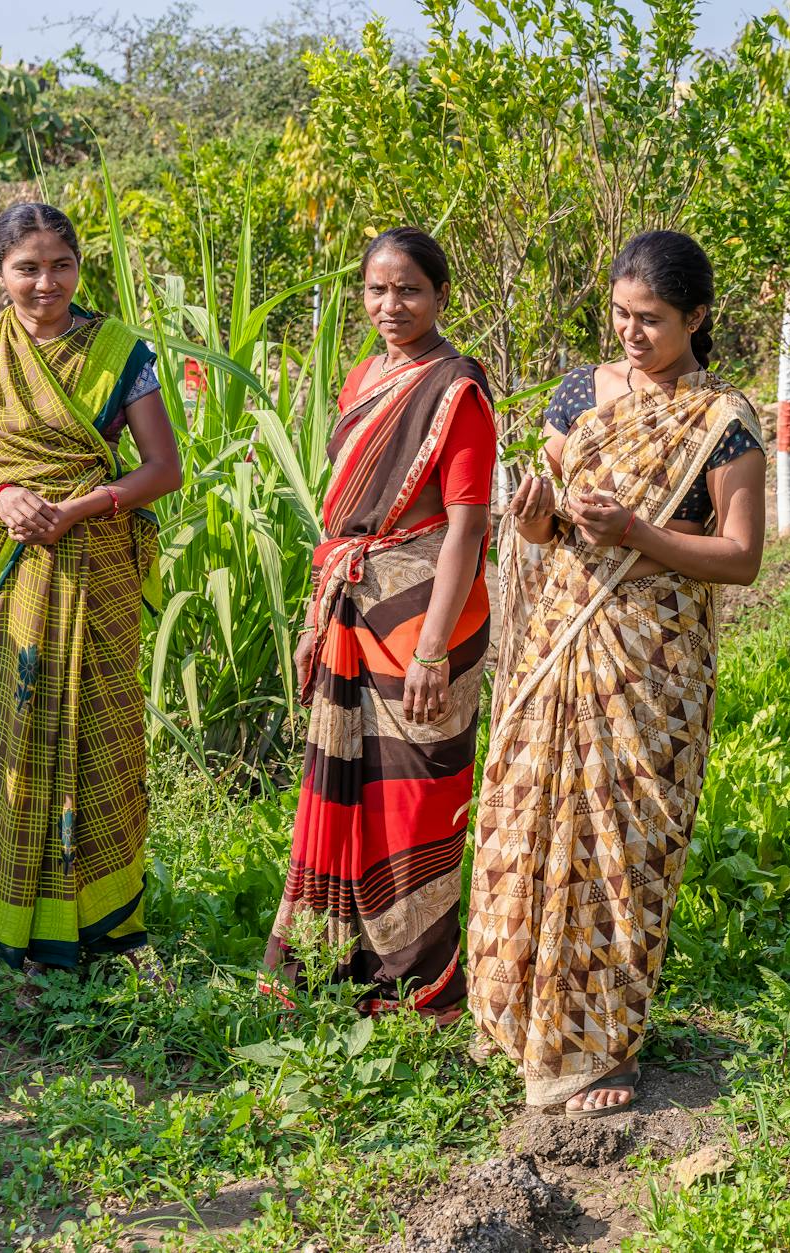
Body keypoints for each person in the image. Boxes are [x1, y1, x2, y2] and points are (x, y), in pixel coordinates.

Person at [469, 231, 766, 1116]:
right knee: (531, 814)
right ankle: (527, 1018)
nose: (633, 334)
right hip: (563, 634)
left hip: (653, 658)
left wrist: (638, 533)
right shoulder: (577, 394)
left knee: (623, 840)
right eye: (621, 315)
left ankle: (600, 1045)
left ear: (697, 319)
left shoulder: (722, 423)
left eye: (654, 320)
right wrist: (532, 520)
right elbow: (554, 524)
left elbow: (741, 556)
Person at [0, 202, 183, 971]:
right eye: (27, 268)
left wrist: (76, 508)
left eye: (60, 265)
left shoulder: (116, 352)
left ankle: (110, 930)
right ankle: (16, 930)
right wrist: (2, 496)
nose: (46, 283)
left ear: (79, 266)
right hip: (7, 584)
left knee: (103, 741)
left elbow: (162, 468)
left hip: (93, 568)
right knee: (12, 741)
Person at [261, 227, 497, 1021]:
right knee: (349, 786)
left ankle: (419, 981)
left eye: (409, 291)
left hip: (424, 610)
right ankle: (341, 966)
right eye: (376, 291)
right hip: (350, 608)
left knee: (415, 792)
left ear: (439, 296)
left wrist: (433, 647)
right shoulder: (363, 377)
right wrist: (311, 621)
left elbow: (467, 526)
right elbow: (342, 526)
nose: (390, 306)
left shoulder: (456, 388)